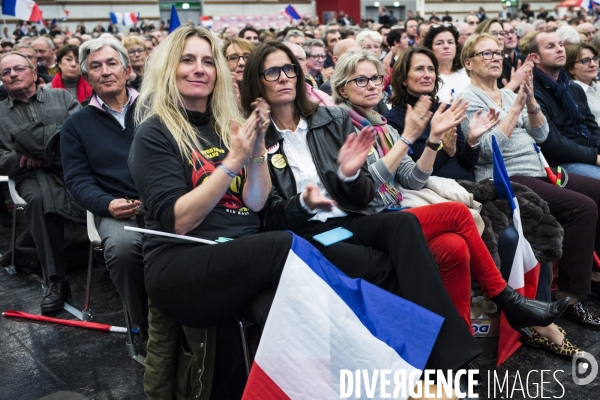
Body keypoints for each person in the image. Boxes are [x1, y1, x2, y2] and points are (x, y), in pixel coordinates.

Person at [241, 41, 566, 371]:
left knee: (452, 247)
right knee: (439, 219)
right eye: (272, 71)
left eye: (289, 69)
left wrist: (357, 172)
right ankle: (502, 307)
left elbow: (392, 182)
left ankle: (459, 356)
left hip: (357, 217)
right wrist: (408, 140)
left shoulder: (337, 120)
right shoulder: (261, 132)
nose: (284, 77)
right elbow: (267, 210)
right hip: (317, 233)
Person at [129, 26, 284, 396]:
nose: (199, 69)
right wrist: (232, 162)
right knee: (287, 244)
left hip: (241, 252)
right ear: (169, 68)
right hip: (184, 260)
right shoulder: (154, 133)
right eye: (187, 60)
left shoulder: (224, 126)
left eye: (207, 61)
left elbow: (256, 203)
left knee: (278, 316)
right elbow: (180, 219)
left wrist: (257, 149)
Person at [459, 33, 600, 330]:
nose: (496, 57)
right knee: (582, 207)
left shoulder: (510, 95)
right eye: (486, 54)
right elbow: (486, 149)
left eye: (497, 52)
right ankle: (571, 297)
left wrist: (532, 103)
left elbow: (541, 135)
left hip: (540, 169)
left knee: (597, 190)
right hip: (507, 176)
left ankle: (591, 274)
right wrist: (514, 111)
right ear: (468, 63)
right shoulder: (468, 99)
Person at [61, 38, 149, 338]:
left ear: (127, 71)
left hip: (162, 200)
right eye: (96, 67)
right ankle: (146, 326)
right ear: (87, 78)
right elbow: (76, 180)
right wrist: (107, 204)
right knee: (123, 249)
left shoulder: (156, 109)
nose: (105, 71)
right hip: (114, 208)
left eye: (112, 64)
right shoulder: (75, 125)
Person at [0, 52, 81, 312]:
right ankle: (55, 279)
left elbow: (82, 133)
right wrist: (20, 158)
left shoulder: (62, 97)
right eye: (5, 72)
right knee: (38, 200)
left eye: (18, 68)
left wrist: (50, 153)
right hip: (29, 176)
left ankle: (107, 251)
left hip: (69, 168)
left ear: (34, 73)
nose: (12, 74)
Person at [531, 32, 600, 179]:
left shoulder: (574, 88)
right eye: (551, 46)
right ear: (535, 58)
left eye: (561, 44)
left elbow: (591, 126)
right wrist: (595, 157)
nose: (560, 49)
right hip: (559, 162)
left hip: (588, 150)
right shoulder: (532, 93)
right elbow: (553, 143)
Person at [423, 25, 470, 103]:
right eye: (439, 43)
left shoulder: (468, 72)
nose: (446, 46)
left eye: (450, 42)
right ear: (430, 48)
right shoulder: (427, 77)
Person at [565, 42, 600, 130]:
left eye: (595, 59)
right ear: (571, 69)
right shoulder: (570, 94)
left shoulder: (598, 86)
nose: (593, 64)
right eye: (585, 60)